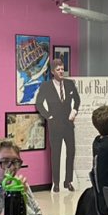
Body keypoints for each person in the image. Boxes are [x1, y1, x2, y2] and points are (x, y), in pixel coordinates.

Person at [34, 58, 80, 193]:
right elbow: (39, 103)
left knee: (71, 152)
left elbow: (77, 100)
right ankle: (57, 183)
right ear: (53, 72)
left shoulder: (70, 84)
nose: (61, 72)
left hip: (69, 124)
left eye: (62, 69)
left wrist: (74, 111)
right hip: (54, 125)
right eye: (58, 70)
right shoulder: (46, 86)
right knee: (56, 154)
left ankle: (68, 181)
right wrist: (49, 116)